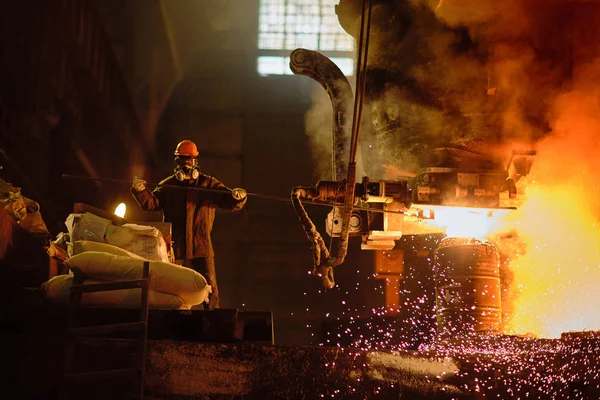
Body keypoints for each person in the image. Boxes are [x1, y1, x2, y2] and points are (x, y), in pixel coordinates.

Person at [131, 139, 247, 309]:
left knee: (210, 289)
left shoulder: (208, 184)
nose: (186, 165)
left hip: (201, 245)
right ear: (177, 162)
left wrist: (237, 197)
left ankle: (212, 319)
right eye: (183, 160)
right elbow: (153, 203)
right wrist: (141, 191)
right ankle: (175, 316)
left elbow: (226, 200)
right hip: (176, 245)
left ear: (196, 161)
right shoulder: (169, 185)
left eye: (190, 160)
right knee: (171, 286)